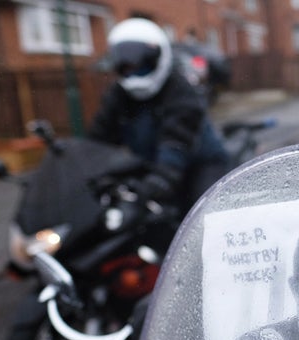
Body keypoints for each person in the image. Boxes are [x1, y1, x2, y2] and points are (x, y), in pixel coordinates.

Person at [88, 18, 229, 203]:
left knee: (205, 216)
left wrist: (163, 177)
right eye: (126, 67)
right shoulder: (118, 94)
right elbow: (99, 137)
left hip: (200, 164)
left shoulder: (180, 91)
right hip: (152, 168)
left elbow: (177, 140)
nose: (132, 74)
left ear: (157, 58)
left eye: (140, 65)